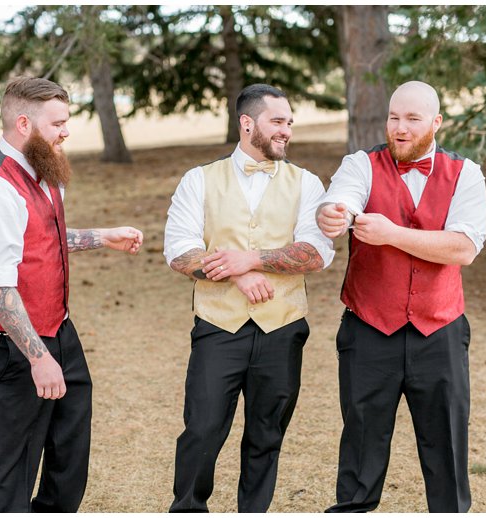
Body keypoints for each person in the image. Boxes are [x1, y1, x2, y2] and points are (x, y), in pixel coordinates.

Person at [0, 76, 143, 512]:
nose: (65, 131)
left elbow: (41, 238)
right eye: (57, 123)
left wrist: (102, 237)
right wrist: (39, 358)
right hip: (10, 343)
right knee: (14, 462)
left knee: (70, 448)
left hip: (59, 327)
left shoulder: (44, 171)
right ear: (24, 123)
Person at [315, 81, 486, 512]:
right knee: (361, 443)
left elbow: (463, 248)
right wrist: (332, 213)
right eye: (394, 117)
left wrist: (392, 235)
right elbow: (342, 199)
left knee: (446, 444)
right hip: (369, 329)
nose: (400, 128)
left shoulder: (466, 173)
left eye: (412, 119)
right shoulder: (361, 164)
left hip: (440, 330)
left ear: (436, 123)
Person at [163, 83, 334, 512]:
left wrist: (251, 260)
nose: (286, 132)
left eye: (289, 123)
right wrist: (235, 274)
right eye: (277, 121)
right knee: (201, 430)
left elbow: (316, 253)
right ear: (247, 123)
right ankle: (187, 508)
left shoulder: (308, 183)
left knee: (266, 434)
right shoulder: (198, 180)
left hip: (282, 328)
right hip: (219, 328)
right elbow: (179, 251)